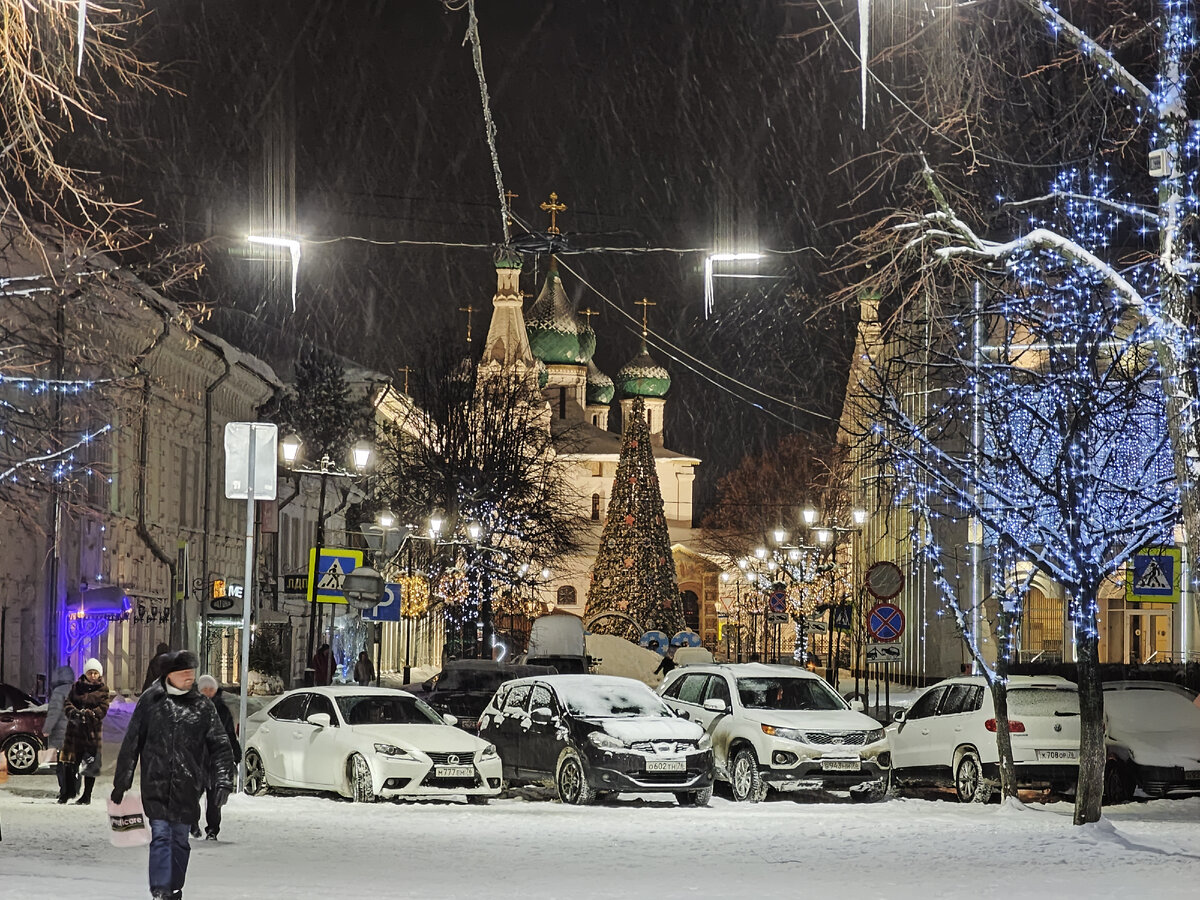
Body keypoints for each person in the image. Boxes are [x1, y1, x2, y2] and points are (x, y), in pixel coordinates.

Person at [112, 650, 234, 900]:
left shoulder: (203, 706)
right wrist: (121, 782)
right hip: (155, 784)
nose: (190, 677)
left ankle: (174, 887)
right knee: (160, 837)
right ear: (170, 675)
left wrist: (223, 780)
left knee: (179, 840)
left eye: (192, 673)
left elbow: (221, 745)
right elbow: (132, 741)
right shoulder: (151, 701)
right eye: (185, 673)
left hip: (188, 787)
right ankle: (160, 890)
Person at [194, 674, 240, 841]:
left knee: (214, 799)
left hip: (215, 760)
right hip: (196, 760)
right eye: (204, 689)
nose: (207, 692)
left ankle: (212, 829)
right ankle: (192, 824)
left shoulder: (222, 710)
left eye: (210, 689)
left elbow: (229, 735)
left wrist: (235, 751)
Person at [61, 658, 111, 805]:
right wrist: (74, 713)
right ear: (86, 673)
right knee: (70, 764)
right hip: (74, 732)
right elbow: (67, 703)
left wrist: (91, 714)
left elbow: (103, 708)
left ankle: (86, 795)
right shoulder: (76, 687)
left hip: (92, 733)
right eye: (90, 673)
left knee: (90, 765)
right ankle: (68, 792)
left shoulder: (103, 689)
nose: (93, 676)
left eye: (95, 673)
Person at [43, 663, 75, 803]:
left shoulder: (58, 692)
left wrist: (47, 729)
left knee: (62, 765)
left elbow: (54, 713)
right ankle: (73, 789)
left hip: (62, 735)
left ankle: (64, 791)